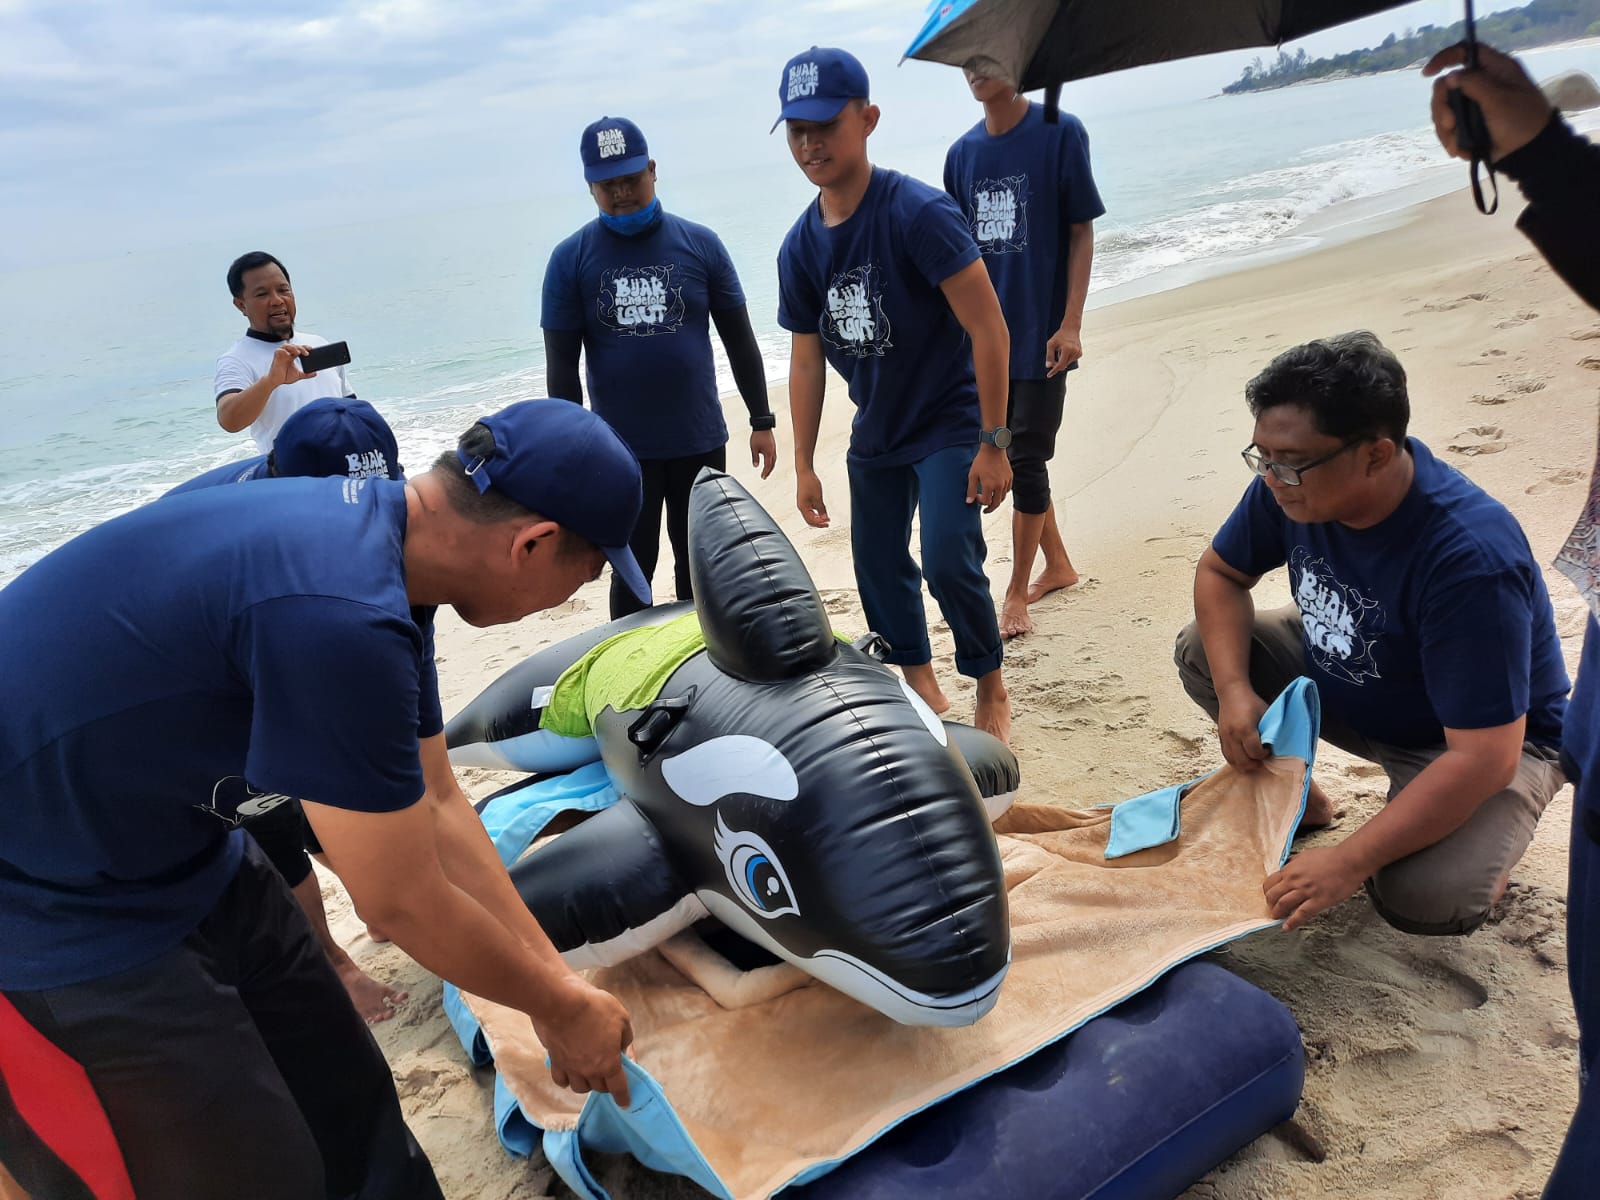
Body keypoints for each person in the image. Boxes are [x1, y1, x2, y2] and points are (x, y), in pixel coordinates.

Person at [0, 399, 643, 1198]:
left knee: (356, 1119)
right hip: (49, 910)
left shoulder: (395, 556)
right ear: (533, 543)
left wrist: (557, 988)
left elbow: (438, 801)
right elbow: (399, 902)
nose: (577, 594)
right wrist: (562, 1010)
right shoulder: (339, 614)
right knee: (248, 1175)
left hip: (183, 845)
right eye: (588, 573)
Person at [1173, 331, 1568, 937]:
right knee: (1205, 649)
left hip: (1477, 742)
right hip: (1358, 672)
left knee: (1426, 896)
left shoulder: (1469, 559)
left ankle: (1489, 842)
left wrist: (1348, 861)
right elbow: (1221, 573)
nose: (1272, 478)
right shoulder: (1291, 486)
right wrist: (1233, 691)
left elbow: (1485, 757)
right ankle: (1299, 800)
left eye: (1289, 462)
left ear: (1376, 455)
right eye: (1261, 456)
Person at [1423, 41, 1600, 1199]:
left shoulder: (1463, 545)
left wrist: (1542, 154)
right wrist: (1544, 153)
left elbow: (1485, 751)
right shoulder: (1287, 495)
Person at [774, 46, 1014, 743]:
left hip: (950, 419)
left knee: (948, 558)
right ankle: (919, 679)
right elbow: (807, 360)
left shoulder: (918, 212)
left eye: (826, 125)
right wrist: (803, 462)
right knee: (878, 566)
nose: (811, 143)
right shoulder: (799, 248)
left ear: (868, 119)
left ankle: (989, 681)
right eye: (797, 130)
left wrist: (995, 441)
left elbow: (989, 328)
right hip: (877, 427)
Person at [167, 396, 411, 1022]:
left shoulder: (340, 524)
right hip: (177, 672)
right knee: (266, 810)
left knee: (313, 788)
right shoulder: (241, 540)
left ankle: (374, 908)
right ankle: (335, 964)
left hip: (246, 633)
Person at [543, 116, 779, 620]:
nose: (622, 193)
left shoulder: (701, 244)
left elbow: (739, 339)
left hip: (699, 440)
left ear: (652, 169)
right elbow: (562, 370)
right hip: (619, 453)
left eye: (632, 178)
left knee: (705, 568)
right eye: (608, 184)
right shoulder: (569, 260)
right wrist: (570, 456)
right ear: (589, 186)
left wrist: (761, 419)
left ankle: (707, 659)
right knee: (634, 569)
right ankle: (628, 661)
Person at [944, 59, 1104, 639]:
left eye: (988, 57)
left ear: (1018, 58)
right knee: (1006, 453)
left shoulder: (1061, 132)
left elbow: (1080, 231)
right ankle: (1057, 565)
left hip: (1040, 334)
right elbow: (951, 258)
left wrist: (1071, 323)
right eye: (967, 60)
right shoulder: (961, 156)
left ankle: (1015, 594)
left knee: (1026, 457)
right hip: (982, 342)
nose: (975, 69)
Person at [214, 250, 356, 452]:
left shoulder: (317, 343)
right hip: (288, 470)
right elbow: (229, 420)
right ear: (241, 305)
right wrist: (271, 381)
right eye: (262, 294)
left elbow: (350, 407)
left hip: (345, 465)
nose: (277, 300)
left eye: (283, 290)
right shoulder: (236, 359)